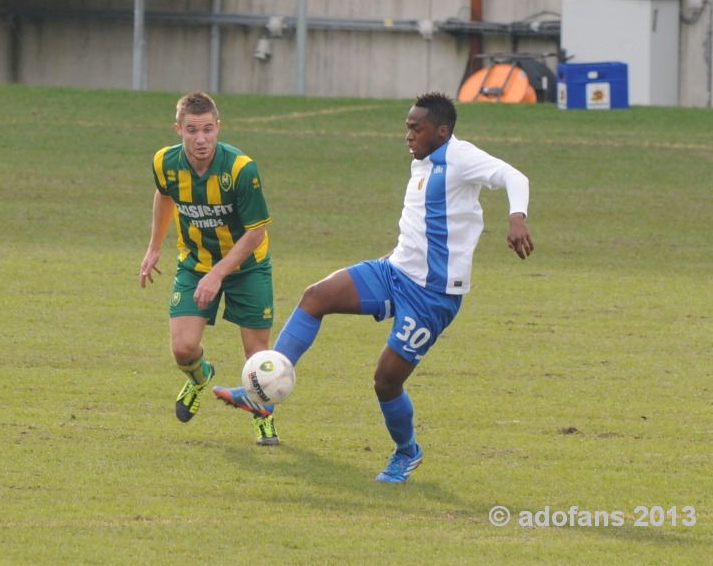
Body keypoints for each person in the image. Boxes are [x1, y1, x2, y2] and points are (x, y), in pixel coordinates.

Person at [213, 91, 534, 481]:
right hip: (394, 271)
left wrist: (517, 216)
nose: (409, 134)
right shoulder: (423, 163)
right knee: (316, 297)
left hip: (433, 296)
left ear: (442, 130)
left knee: (386, 381)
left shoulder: (460, 157)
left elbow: (513, 176)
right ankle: (261, 393)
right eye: (407, 127)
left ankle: (407, 452)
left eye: (417, 128)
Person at [140, 90, 279, 446]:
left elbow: (256, 230)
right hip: (194, 264)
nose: (200, 139)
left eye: (207, 130)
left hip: (248, 266)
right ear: (178, 130)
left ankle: (263, 416)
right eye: (191, 131)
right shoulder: (164, 163)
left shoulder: (240, 169)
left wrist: (218, 274)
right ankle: (201, 377)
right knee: (183, 348)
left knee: (256, 354)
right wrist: (154, 247)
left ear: (218, 127)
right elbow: (164, 194)